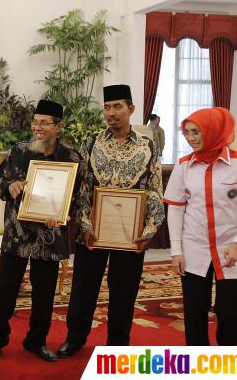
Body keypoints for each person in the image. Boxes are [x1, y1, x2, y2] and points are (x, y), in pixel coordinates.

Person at [57, 84, 165, 356]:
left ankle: (118, 344)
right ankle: (76, 337)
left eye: (117, 107)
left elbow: (154, 189)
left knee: (124, 290)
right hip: (93, 230)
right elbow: (83, 187)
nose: (111, 113)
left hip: (130, 232)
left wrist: (150, 229)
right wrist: (85, 225)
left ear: (131, 109)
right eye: (107, 107)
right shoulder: (92, 142)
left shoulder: (147, 146)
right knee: (83, 286)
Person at [0, 100, 83, 362]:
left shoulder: (71, 157)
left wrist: (64, 214)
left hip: (49, 237)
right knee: (6, 289)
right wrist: (11, 187)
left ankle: (36, 341)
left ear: (58, 127)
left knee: (44, 294)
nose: (37, 127)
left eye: (44, 123)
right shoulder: (19, 150)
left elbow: (76, 194)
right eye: (35, 122)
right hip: (17, 234)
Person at [164, 107, 237, 345]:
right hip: (194, 246)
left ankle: (225, 355)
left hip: (233, 247)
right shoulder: (183, 165)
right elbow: (177, 208)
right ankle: (198, 361)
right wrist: (176, 251)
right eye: (187, 133)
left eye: (196, 132)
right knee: (194, 312)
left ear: (213, 131)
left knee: (232, 312)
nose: (191, 138)